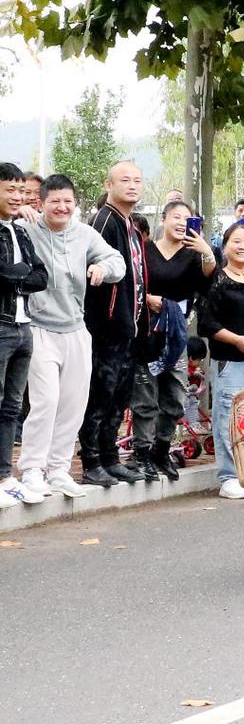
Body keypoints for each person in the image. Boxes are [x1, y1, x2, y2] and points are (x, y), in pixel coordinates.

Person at [15, 174, 123, 499]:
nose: (62, 207)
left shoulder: (84, 234)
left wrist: (103, 269)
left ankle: (58, 469)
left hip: (76, 329)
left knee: (73, 403)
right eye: (55, 201)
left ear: (75, 204)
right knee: (46, 400)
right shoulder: (27, 230)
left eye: (67, 201)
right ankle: (33, 469)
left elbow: (116, 261)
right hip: (38, 328)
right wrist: (19, 215)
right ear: (41, 203)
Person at [130, 200, 217, 481]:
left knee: (177, 396)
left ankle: (161, 448)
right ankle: (141, 452)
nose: (181, 223)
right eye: (176, 217)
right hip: (148, 330)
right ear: (164, 219)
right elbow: (133, 284)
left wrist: (207, 252)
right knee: (145, 397)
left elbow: (208, 283)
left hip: (176, 332)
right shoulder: (146, 251)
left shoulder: (194, 255)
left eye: (187, 219)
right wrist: (148, 300)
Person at [77, 161, 151, 486]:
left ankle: (110, 457)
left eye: (137, 180)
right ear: (109, 184)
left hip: (128, 330)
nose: (132, 185)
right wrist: (105, 322)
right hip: (106, 330)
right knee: (100, 396)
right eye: (125, 180)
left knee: (119, 398)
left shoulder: (132, 224)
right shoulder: (102, 222)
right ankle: (92, 461)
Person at [197, 225, 244, 499]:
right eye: (237, 241)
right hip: (229, 361)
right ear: (225, 246)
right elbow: (206, 324)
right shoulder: (216, 281)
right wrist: (236, 339)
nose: (243, 246)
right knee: (227, 418)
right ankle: (229, 476)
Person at [0, 163, 47, 507]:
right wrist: (21, 273)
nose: (18, 197)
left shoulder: (21, 232)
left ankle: (5, 476)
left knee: (13, 407)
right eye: (10, 190)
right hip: (2, 326)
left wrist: (18, 274)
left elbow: (41, 277)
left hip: (23, 325)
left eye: (21, 190)